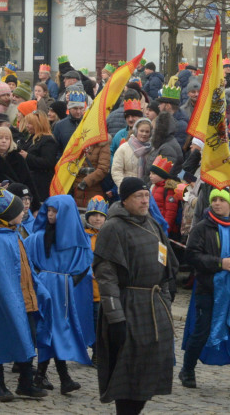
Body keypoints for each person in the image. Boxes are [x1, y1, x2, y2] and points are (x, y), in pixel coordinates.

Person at [94, 177, 178, 414]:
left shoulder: (151, 223)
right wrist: (116, 318)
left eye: (146, 196)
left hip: (154, 304)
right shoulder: (113, 228)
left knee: (150, 371)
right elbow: (106, 276)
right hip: (128, 306)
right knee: (129, 375)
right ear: (125, 199)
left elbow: (167, 267)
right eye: (138, 197)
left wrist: (166, 302)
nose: (144, 201)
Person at [180, 186, 230, 396]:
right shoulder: (202, 228)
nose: (217, 203)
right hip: (209, 289)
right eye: (214, 199)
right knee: (202, 331)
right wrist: (220, 263)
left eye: (222, 200)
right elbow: (191, 255)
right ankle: (187, 370)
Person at [0, 189, 48, 401]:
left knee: (27, 337)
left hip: (23, 298)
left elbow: (25, 267)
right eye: (19, 211)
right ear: (8, 215)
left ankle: (25, 383)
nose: (23, 213)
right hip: (4, 301)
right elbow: (2, 276)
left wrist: (38, 289)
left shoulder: (12, 233)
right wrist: (11, 302)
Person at [25, 196, 92, 394]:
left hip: (63, 290)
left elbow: (84, 265)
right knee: (53, 330)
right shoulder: (38, 237)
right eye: (49, 211)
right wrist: (40, 281)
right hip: (45, 290)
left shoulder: (77, 243)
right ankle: (62, 378)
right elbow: (26, 260)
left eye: (55, 211)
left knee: (53, 330)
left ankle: (43, 376)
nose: (50, 215)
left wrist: (70, 282)